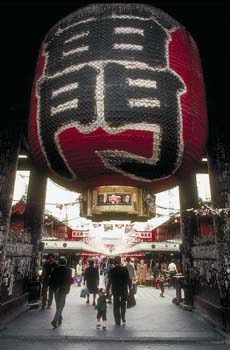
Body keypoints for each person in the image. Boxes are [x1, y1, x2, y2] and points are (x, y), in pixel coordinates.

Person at [106, 256, 131, 326]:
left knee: (116, 305)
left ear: (114, 262)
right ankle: (123, 317)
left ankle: (117, 321)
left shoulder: (112, 270)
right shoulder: (125, 269)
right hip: (124, 290)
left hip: (115, 291)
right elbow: (128, 280)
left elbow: (109, 282)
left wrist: (107, 290)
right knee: (123, 304)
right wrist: (130, 287)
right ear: (120, 261)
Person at [49, 257, 72, 328]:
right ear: (65, 263)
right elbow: (69, 281)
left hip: (56, 289)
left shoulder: (55, 270)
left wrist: (53, 288)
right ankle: (55, 320)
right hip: (63, 290)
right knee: (62, 305)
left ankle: (60, 318)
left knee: (58, 304)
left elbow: (51, 280)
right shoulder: (69, 270)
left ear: (59, 263)